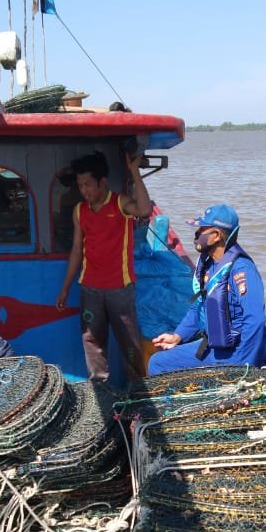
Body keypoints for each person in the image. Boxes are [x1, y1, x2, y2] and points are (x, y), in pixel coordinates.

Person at [55, 150, 151, 382]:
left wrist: (135, 172)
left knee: (129, 342)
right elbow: (77, 250)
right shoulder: (80, 210)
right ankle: (101, 389)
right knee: (92, 341)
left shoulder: (120, 203)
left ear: (103, 182)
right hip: (90, 289)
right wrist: (65, 287)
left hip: (120, 289)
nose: (84, 190)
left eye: (88, 184)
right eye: (80, 185)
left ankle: (138, 388)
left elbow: (144, 210)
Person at [148, 204, 266, 375]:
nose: (196, 234)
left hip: (235, 352)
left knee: (159, 364)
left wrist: (243, 367)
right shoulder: (208, 264)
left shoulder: (242, 270)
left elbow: (255, 321)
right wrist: (177, 336)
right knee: (158, 362)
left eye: (202, 230)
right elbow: (199, 307)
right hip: (213, 348)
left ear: (217, 236)